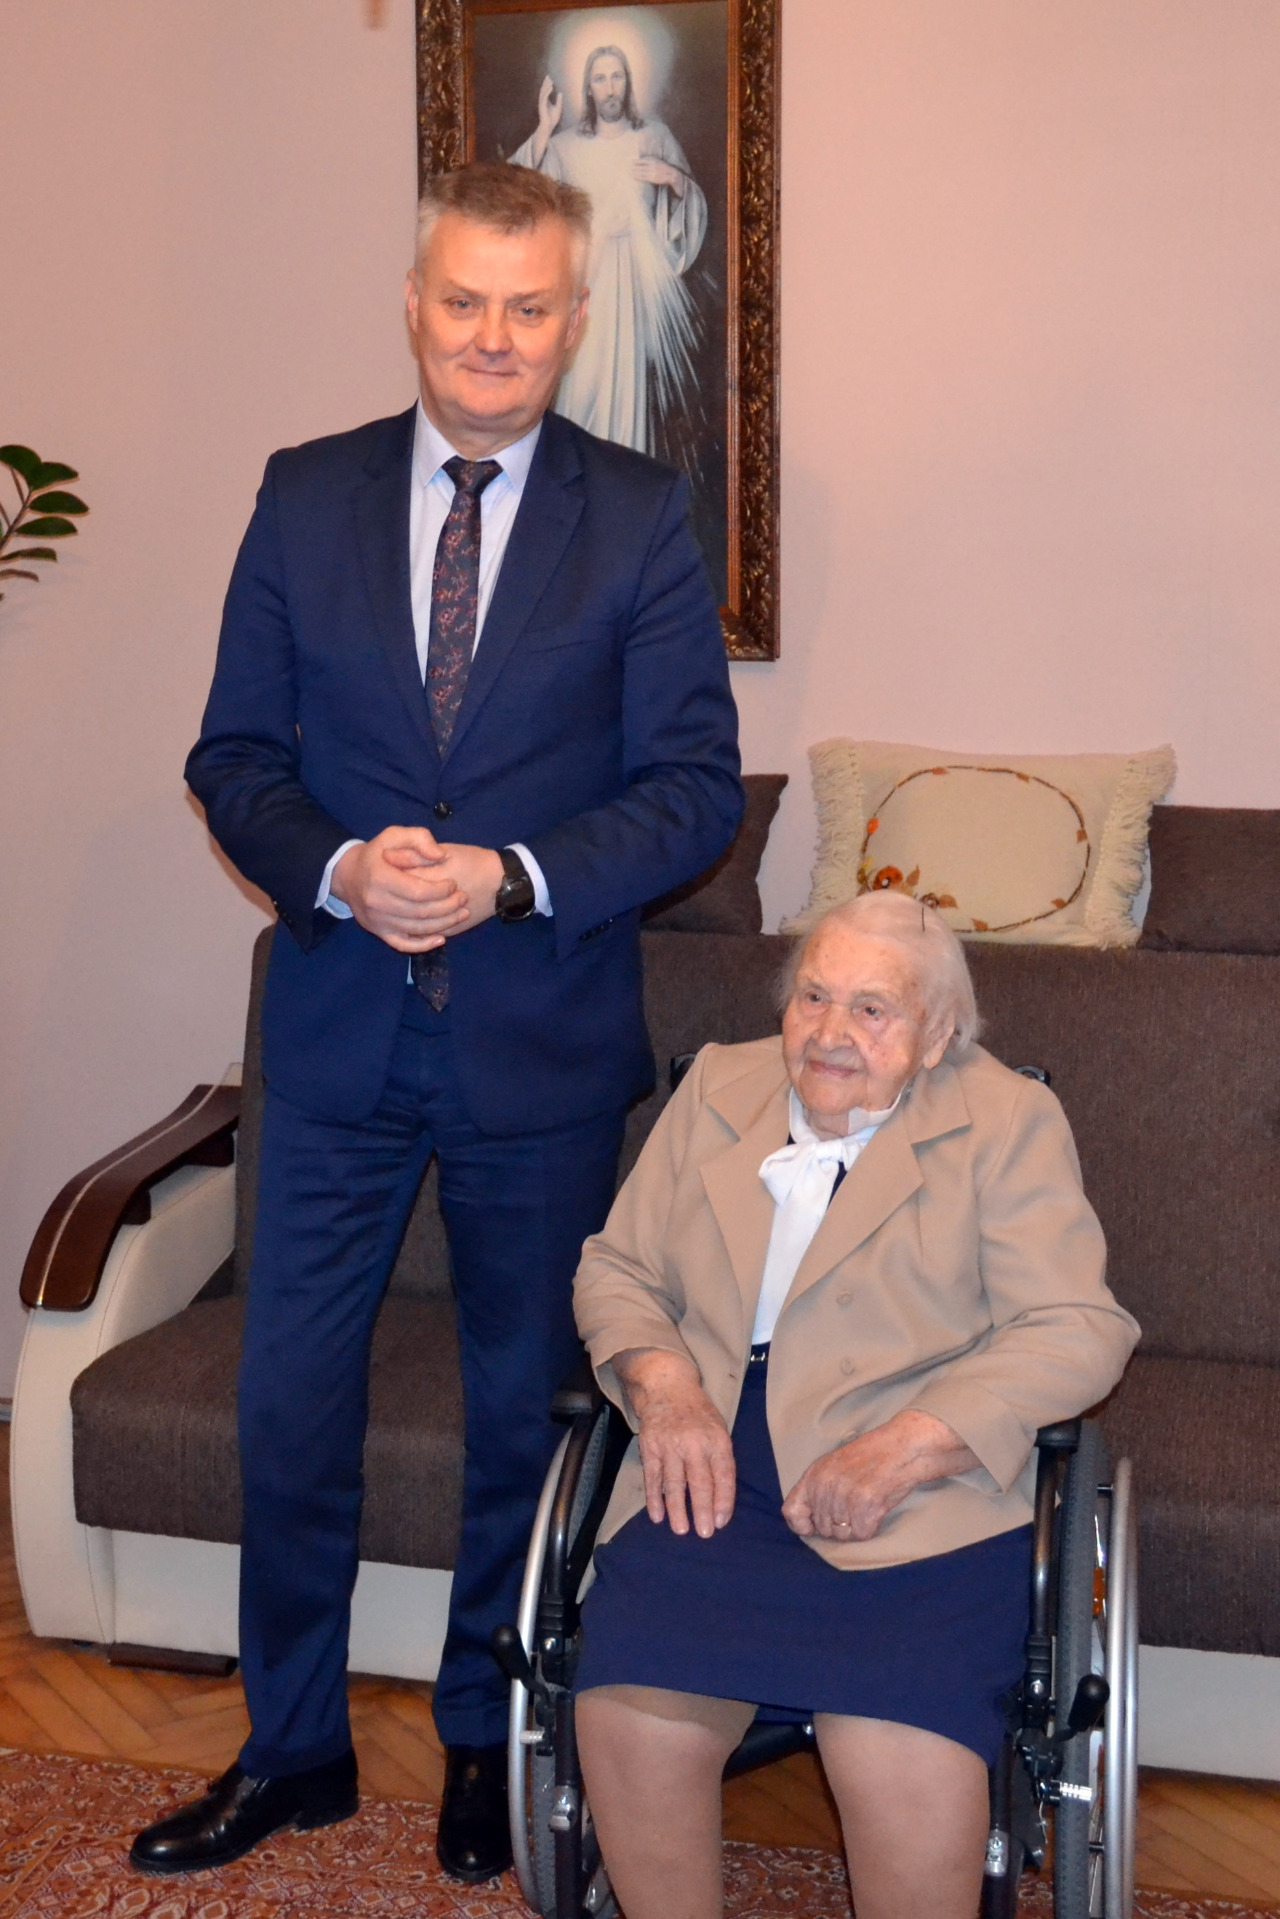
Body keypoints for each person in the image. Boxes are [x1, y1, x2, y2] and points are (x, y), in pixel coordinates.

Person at [129, 160, 742, 1885]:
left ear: (574, 317)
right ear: (414, 306)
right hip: (333, 1037)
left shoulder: (640, 514)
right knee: (287, 1405)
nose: (493, 335)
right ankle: (292, 1746)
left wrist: (513, 875)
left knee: (519, 1413)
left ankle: (486, 1734)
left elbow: (694, 790)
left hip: (539, 1045)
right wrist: (337, 864)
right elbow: (232, 755)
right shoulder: (303, 491)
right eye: (464, 300)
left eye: (528, 307)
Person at [571, 892, 1139, 1919]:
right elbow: (617, 1268)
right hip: (712, 1469)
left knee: (892, 1747)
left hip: (917, 1496)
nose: (830, 1032)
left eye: (871, 1009)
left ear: (937, 1034)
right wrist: (665, 1387)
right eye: (812, 996)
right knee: (631, 1715)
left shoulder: (1005, 1120)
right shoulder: (719, 1084)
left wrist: (911, 1444)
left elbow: (1076, 1325)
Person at [511, 45, 706, 454]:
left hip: (635, 289)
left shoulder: (654, 137)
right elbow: (512, 194)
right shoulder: (565, 146)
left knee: (628, 394)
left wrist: (674, 178)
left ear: (628, 82)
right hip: (587, 287)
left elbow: (692, 207)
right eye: (600, 79)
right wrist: (544, 128)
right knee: (581, 388)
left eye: (617, 76)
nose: (610, 87)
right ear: (588, 88)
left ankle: (621, 480)